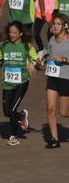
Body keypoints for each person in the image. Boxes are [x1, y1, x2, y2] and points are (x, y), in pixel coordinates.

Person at [0, 22, 34, 146]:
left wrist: (34, 64)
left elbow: (37, 60)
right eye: (10, 32)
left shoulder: (27, 46)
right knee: (6, 112)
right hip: (7, 83)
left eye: (15, 32)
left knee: (12, 109)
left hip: (22, 82)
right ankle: (22, 116)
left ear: (20, 34)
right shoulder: (4, 45)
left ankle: (14, 137)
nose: (12, 34)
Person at [37, 12, 69, 148]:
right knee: (50, 109)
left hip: (66, 78)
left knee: (63, 112)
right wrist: (41, 62)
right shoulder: (51, 40)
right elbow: (48, 55)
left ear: (65, 26)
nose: (55, 26)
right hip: (52, 78)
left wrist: (64, 60)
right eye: (53, 24)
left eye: (58, 24)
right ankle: (54, 140)